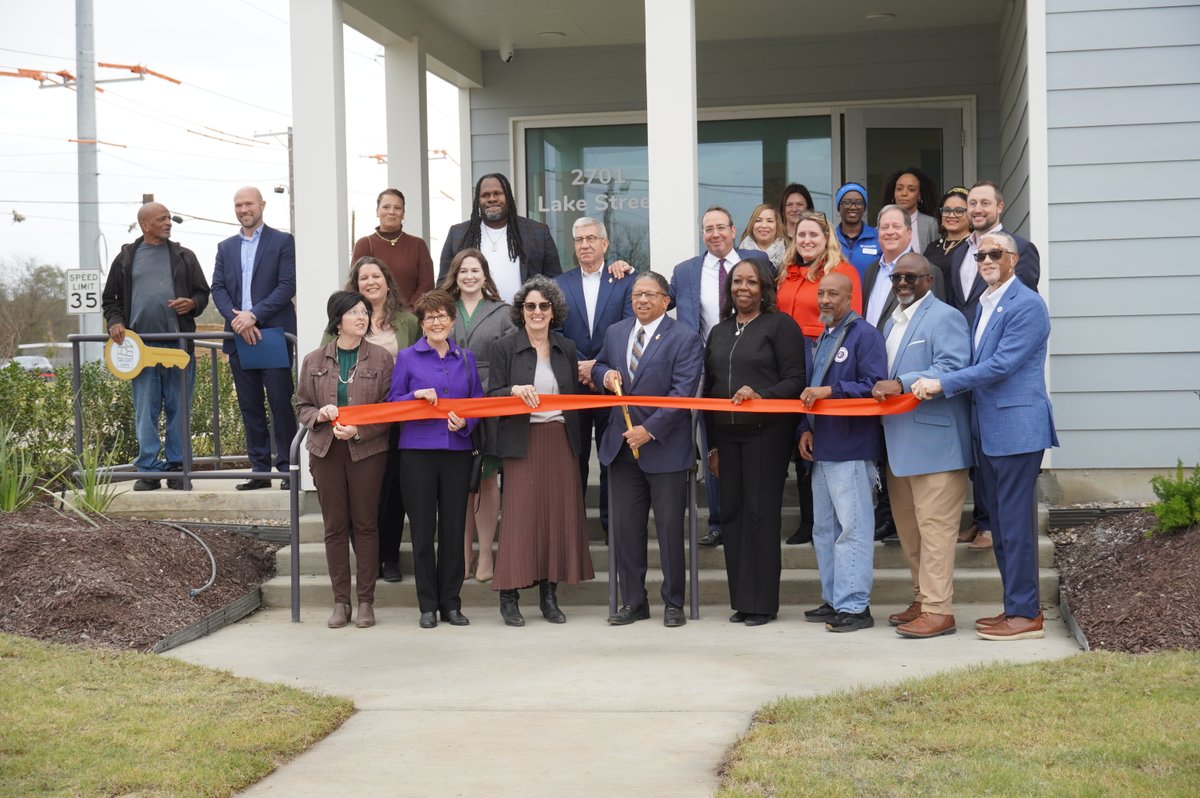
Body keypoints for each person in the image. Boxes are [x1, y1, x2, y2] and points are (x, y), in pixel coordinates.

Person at [913, 231, 1058, 641]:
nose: (986, 260)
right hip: (988, 430)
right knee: (1000, 524)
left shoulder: (1027, 304)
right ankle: (1016, 607)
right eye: (980, 256)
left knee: (1015, 526)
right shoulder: (984, 304)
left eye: (995, 254)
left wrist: (942, 383)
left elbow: (1000, 366)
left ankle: (1026, 614)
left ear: (1013, 258)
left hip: (1016, 430)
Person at [592, 272, 703, 628]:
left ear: (666, 300)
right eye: (637, 294)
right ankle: (633, 602)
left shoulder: (684, 338)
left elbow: (682, 394)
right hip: (622, 449)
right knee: (626, 531)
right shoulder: (616, 332)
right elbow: (598, 365)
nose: (641, 300)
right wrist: (604, 375)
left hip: (665, 449)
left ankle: (673, 603)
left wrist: (649, 430)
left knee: (670, 530)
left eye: (649, 294)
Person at [870, 253, 972, 639]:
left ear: (928, 279)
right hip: (898, 444)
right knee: (911, 533)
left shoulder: (945, 317)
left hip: (937, 445)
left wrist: (902, 382)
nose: (901, 283)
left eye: (910, 276)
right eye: (896, 277)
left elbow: (954, 368)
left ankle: (938, 610)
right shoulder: (892, 322)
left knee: (935, 532)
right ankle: (922, 598)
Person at [704, 258, 806, 626]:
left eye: (750, 282)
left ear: (764, 288)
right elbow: (709, 392)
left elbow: (796, 380)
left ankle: (763, 604)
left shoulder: (781, 326)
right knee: (732, 516)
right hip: (726, 440)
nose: (742, 288)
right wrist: (712, 446)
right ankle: (742, 600)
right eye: (736, 282)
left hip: (767, 437)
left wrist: (761, 394)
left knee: (761, 516)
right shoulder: (718, 332)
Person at [487, 275, 595, 626]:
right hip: (522, 441)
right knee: (520, 517)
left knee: (555, 517)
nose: (537, 312)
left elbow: (578, 395)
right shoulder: (504, 347)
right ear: (521, 311)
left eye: (543, 306)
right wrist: (514, 391)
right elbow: (491, 396)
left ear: (553, 311)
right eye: (530, 306)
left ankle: (549, 595)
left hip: (561, 440)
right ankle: (510, 595)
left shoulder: (566, 347)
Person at [946, 180, 1042, 551]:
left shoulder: (1020, 248)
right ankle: (982, 518)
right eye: (972, 203)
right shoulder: (959, 254)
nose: (977, 209)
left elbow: (1016, 300)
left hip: (1000, 376)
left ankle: (990, 525)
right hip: (970, 364)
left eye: (985, 203)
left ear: (999, 207)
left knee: (997, 454)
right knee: (976, 445)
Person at [670, 206, 772, 549]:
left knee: (752, 444)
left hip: (752, 365)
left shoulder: (757, 260)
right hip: (706, 369)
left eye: (721, 228)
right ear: (702, 234)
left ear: (733, 230)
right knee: (711, 442)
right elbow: (656, 297)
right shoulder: (685, 272)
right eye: (708, 229)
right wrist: (622, 270)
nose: (715, 234)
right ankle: (718, 521)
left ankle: (751, 515)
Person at [296, 290, 394, 629]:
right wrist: (319, 415)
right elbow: (301, 406)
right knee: (334, 526)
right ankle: (341, 602)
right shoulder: (314, 360)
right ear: (338, 320)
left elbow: (388, 410)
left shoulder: (381, 358)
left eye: (364, 311)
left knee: (366, 524)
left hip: (366, 451)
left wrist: (359, 431)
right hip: (325, 452)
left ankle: (366, 602)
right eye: (354, 312)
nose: (362, 316)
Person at [388, 290, 483, 629]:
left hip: (456, 452)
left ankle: (451, 604)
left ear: (452, 320)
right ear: (422, 324)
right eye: (430, 317)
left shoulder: (466, 358)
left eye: (442, 315)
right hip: (417, 454)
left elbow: (478, 402)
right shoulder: (407, 358)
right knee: (424, 532)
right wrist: (414, 396)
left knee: (454, 532)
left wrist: (466, 422)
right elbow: (392, 402)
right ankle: (427, 605)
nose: (437, 322)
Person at [798, 272, 887, 633]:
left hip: (851, 447)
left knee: (853, 528)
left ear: (850, 297)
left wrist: (831, 392)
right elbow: (809, 392)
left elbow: (873, 385)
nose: (824, 300)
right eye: (821, 294)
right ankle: (835, 599)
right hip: (822, 447)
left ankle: (855, 606)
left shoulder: (865, 334)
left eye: (833, 294)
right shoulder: (823, 337)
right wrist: (805, 428)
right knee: (824, 529)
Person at [102, 201, 210, 491]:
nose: (168, 223)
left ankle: (177, 467)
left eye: (168, 218)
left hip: (178, 346)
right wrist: (115, 321)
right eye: (161, 219)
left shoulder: (184, 257)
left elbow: (202, 293)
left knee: (179, 408)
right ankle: (148, 469)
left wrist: (193, 304)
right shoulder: (125, 258)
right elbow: (110, 300)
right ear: (145, 225)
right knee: (145, 410)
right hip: (140, 349)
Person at [774, 211, 861, 546]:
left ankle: (823, 520)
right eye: (801, 235)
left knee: (817, 435)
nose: (807, 241)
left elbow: (852, 322)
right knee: (796, 434)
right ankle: (807, 520)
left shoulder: (840, 272)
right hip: (786, 361)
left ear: (827, 238)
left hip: (823, 358)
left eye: (814, 235)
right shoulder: (786, 272)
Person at [211, 186, 298, 491]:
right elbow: (218, 288)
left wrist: (254, 315)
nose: (243, 209)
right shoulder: (225, 247)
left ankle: (288, 467)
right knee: (249, 405)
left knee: (279, 401)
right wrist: (238, 319)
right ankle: (259, 469)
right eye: (238, 205)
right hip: (239, 337)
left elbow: (287, 285)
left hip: (272, 333)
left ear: (262, 204)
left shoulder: (283, 242)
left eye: (248, 203)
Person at [554, 217, 635, 539]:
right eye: (578, 240)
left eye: (591, 238)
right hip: (572, 383)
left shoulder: (625, 280)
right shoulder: (559, 283)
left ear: (605, 243)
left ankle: (610, 525)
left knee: (611, 455)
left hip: (611, 382)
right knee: (573, 457)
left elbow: (629, 327)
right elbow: (554, 330)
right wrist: (580, 366)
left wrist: (597, 366)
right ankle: (573, 528)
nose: (584, 245)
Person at [342, 256, 420, 584]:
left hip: (398, 417)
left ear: (387, 280)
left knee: (392, 491)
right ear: (355, 285)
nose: (371, 282)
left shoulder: (408, 322)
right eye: (364, 278)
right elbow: (327, 359)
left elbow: (420, 362)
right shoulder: (346, 317)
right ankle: (365, 556)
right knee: (359, 491)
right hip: (359, 418)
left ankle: (389, 556)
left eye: (376, 276)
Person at [441, 247, 516, 583]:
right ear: (454, 277)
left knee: (486, 479)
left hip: (489, 402)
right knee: (457, 482)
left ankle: (486, 553)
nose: (469, 276)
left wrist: (491, 393)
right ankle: (462, 552)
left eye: (475, 270)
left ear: (485, 275)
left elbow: (512, 359)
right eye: (463, 271)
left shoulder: (503, 312)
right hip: (448, 403)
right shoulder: (442, 309)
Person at [437, 173, 561, 302]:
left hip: (525, 318)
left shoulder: (537, 232)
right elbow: (444, 283)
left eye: (498, 193)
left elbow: (555, 280)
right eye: (485, 195)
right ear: (478, 202)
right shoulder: (458, 233)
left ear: (508, 198)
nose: (492, 199)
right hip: (474, 319)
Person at [862, 205, 947, 332]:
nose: (890, 232)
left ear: (909, 233)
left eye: (896, 226)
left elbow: (937, 322)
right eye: (884, 227)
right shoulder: (871, 270)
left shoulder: (929, 271)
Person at [351, 188, 435, 309]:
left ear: (403, 213)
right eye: (386, 207)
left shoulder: (418, 245)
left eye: (397, 208)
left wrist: (409, 313)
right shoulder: (364, 244)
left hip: (411, 320)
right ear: (377, 211)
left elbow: (427, 285)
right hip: (374, 318)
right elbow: (355, 285)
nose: (392, 212)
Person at [881, 167, 939, 252]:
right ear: (893, 193)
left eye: (911, 189)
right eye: (899, 189)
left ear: (919, 195)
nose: (904, 193)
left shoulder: (932, 225)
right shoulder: (881, 226)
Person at [832, 182, 879, 280]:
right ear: (838, 207)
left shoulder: (879, 238)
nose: (853, 207)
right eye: (847, 202)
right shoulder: (828, 238)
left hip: (869, 295)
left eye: (858, 202)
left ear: (864, 207)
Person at [922, 186, 971, 277]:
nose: (951, 215)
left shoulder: (974, 245)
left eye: (959, 211)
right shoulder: (932, 247)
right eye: (947, 210)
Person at [738, 203, 787, 269]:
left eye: (770, 221)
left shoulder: (789, 255)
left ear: (777, 225)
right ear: (752, 225)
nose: (764, 225)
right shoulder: (737, 255)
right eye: (758, 220)